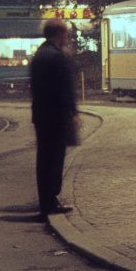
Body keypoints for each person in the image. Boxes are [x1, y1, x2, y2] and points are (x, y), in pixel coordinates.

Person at [30, 18, 80, 218]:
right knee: (55, 159)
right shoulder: (56, 57)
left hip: (41, 114)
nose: (67, 37)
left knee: (44, 159)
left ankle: (47, 201)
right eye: (66, 33)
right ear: (59, 34)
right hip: (56, 116)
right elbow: (64, 89)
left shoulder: (40, 54)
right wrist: (72, 112)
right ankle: (51, 201)